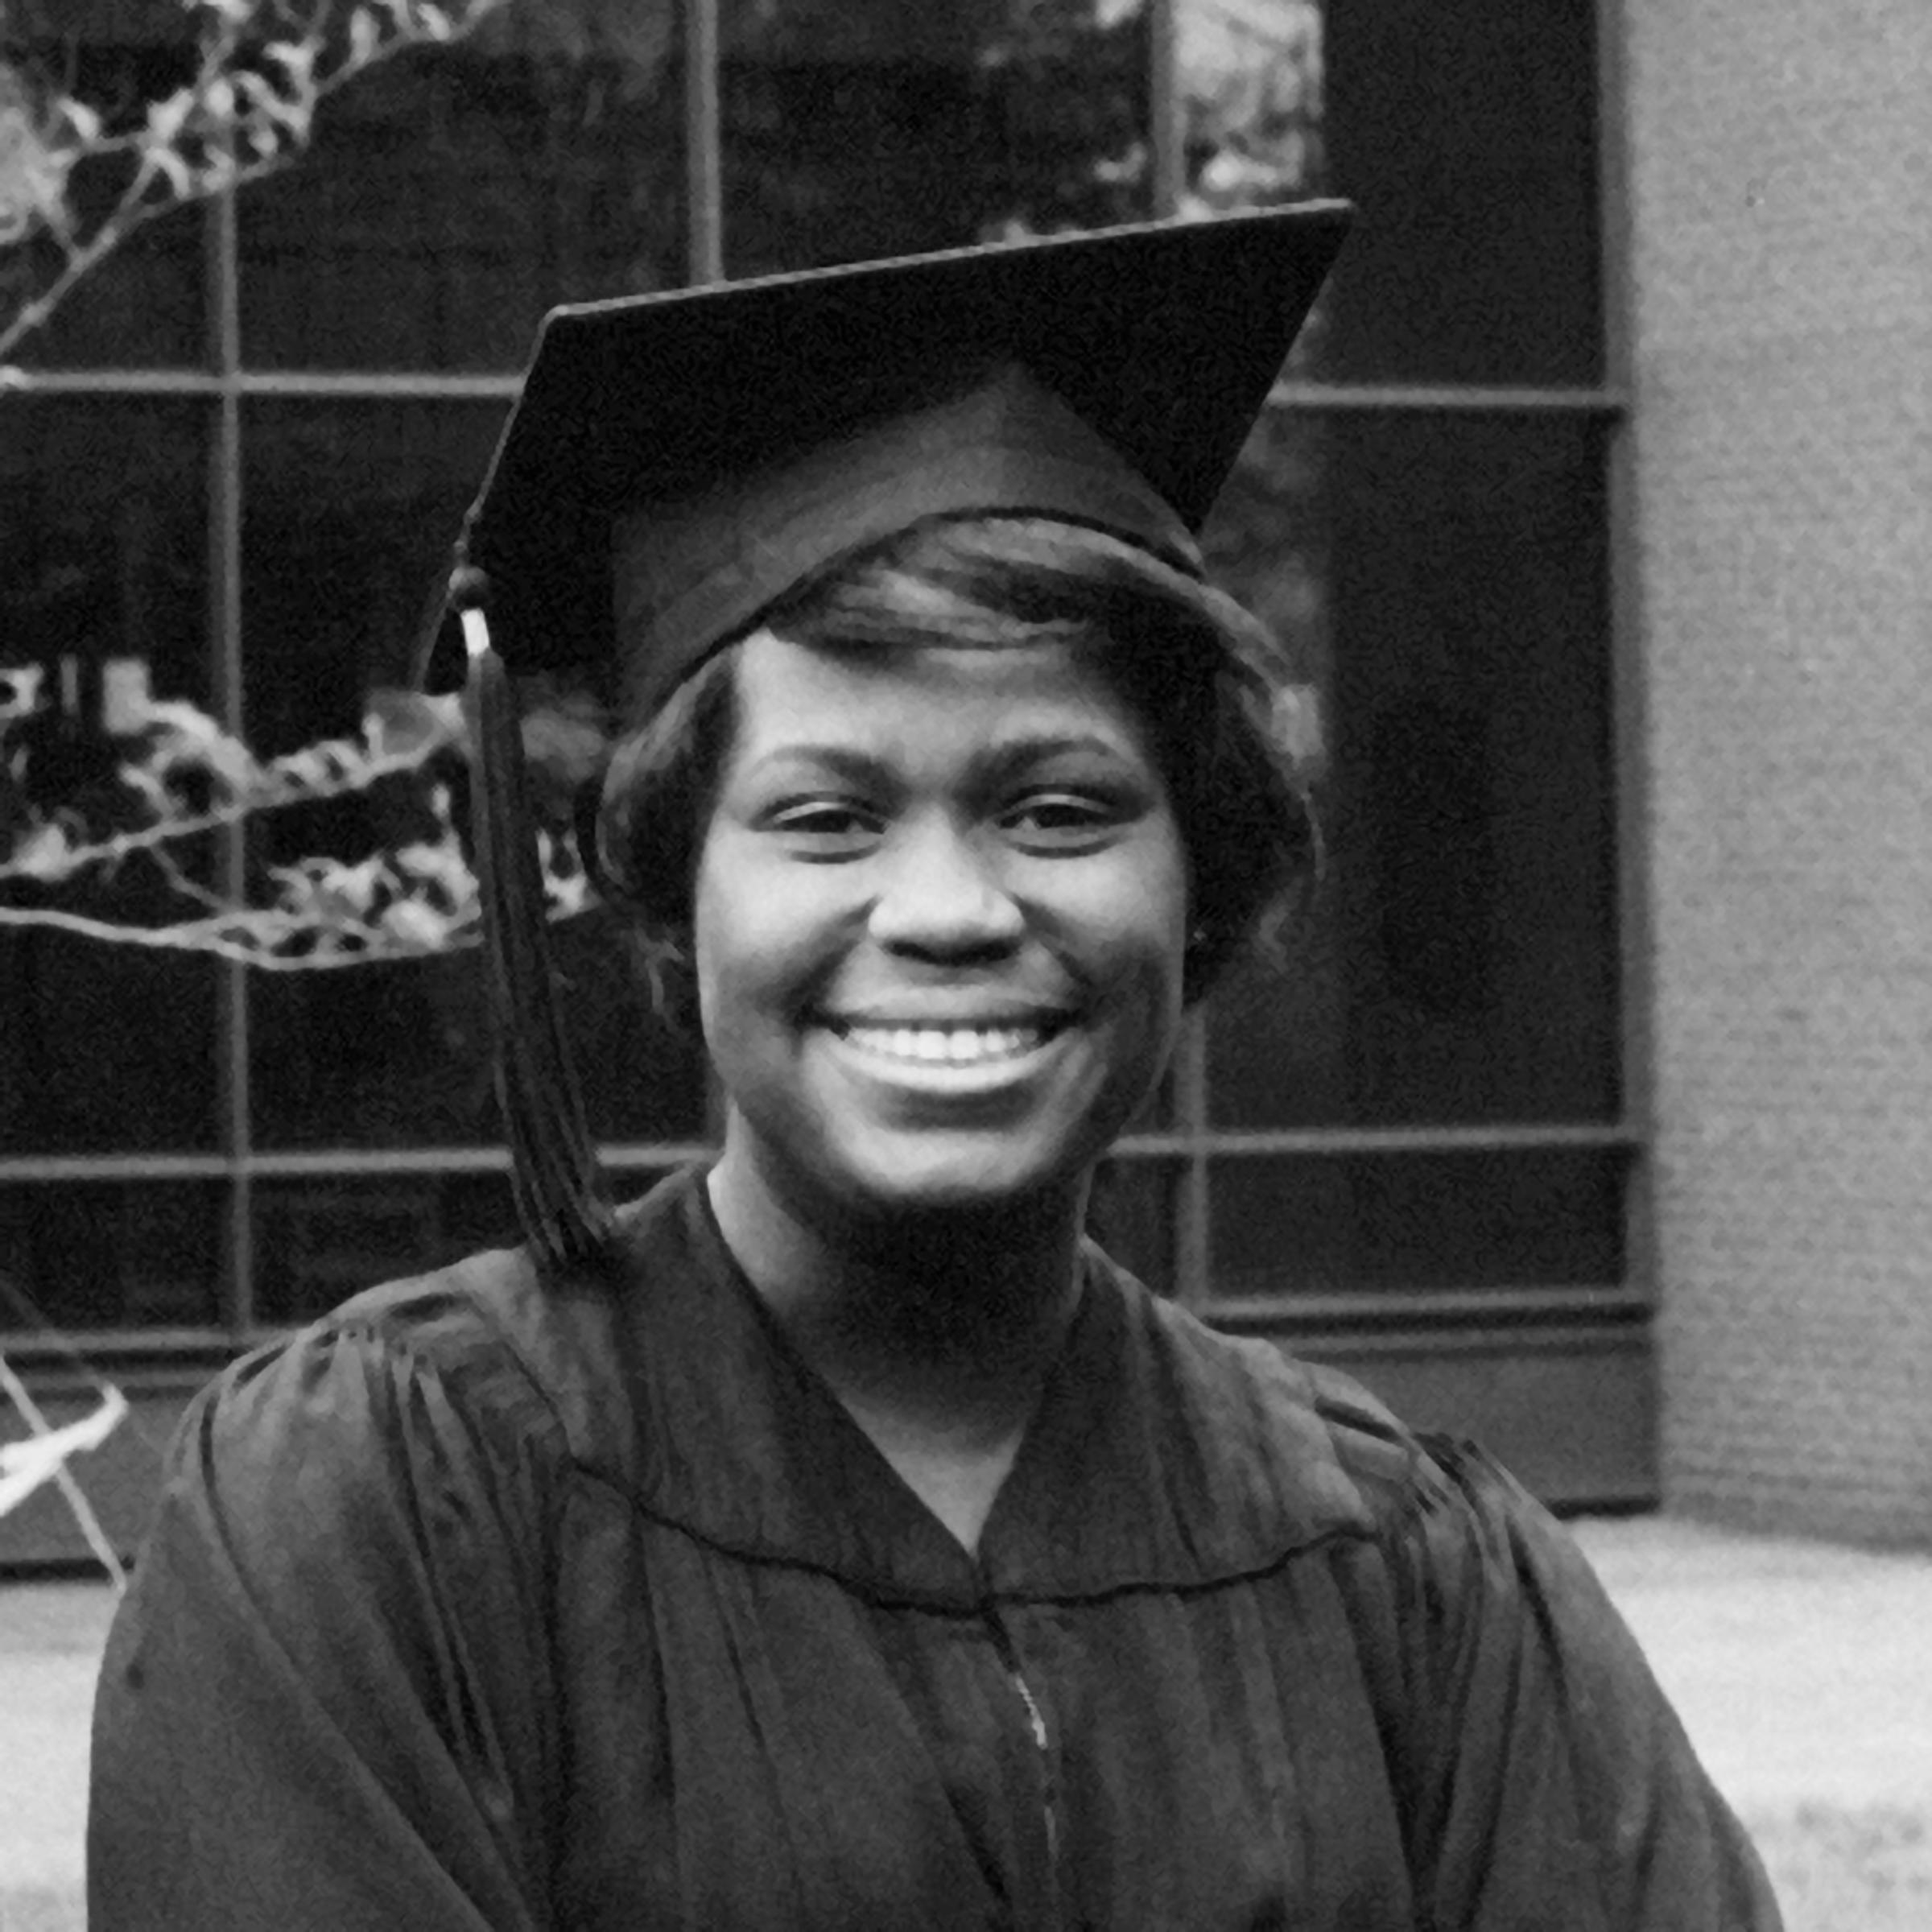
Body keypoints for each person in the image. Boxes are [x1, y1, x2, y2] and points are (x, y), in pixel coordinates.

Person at [87, 209, 1783, 1930]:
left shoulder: (1411, 1579)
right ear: (674, 892)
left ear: (1200, 877)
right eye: (827, 818)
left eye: (1059, 809)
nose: (953, 910)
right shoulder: (383, 1514)